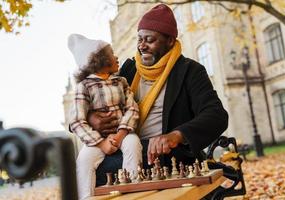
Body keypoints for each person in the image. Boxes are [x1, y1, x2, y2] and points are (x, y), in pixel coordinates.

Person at [88, 4, 229, 186]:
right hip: (126, 149)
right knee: (88, 165)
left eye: (150, 40)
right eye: (139, 39)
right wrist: (91, 117)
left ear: (170, 41)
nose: (142, 46)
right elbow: (90, 94)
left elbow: (216, 116)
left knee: (103, 168)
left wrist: (176, 135)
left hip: (167, 157)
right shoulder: (128, 70)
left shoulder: (190, 71)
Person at [68, 34, 142, 200]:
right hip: (96, 141)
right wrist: (101, 143)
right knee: (84, 161)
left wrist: (121, 134)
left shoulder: (121, 82)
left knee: (133, 144)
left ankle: (134, 192)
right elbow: (77, 121)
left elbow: (132, 109)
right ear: (99, 60)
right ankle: (86, 197)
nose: (116, 57)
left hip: (122, 134)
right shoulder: (84, 87)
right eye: (111, 54)